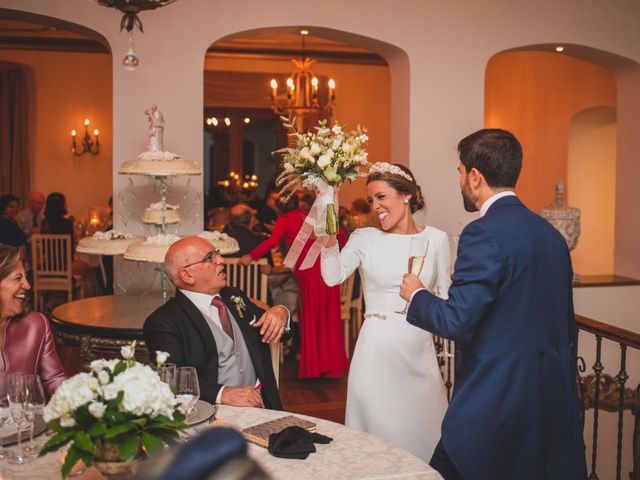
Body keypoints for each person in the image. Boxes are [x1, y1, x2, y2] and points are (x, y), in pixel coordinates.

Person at [400, 129, 587, 480]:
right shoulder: (550, 235)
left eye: (459, 171)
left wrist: (416, 296)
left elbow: (457, 320)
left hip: (495, 402)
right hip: (548, 402)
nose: (459, 180)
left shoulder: (482, 232)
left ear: (475, 176)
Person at [320, 162, 450, 460]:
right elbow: (332, 277)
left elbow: (446, 300)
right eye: (371, 200)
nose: (375, 206)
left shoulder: (437, 240)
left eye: (381, 197)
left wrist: (422, 296)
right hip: (375, 354)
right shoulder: (365, 238)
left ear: (406, 195)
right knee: (375, 445)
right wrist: (328, 238)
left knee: (426, 438)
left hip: (419, 356)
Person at [143, 236, 288, 409]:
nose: (220, 260)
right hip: (210, 416)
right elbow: (172, 381)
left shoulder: (234, 296)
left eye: (217, 254)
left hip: (262, 408)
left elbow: (284, 333)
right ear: (187, 275)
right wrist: (222, 393)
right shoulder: (164, 322)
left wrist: (282, 312)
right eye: (209, 258)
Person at [241, 195, 348, 379]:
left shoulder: (285, 219)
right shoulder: (309, 215)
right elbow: (341, 237)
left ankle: (315, 368)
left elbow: (272, 241)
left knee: (312, 316)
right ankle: (332, 367)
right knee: (328, 316)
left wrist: (251, 255)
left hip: (310, 273)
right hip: (326, 267)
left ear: (278, 208)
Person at [0, 244, 68, 397]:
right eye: (18, 278)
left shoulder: (36, 325)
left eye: (25, 276)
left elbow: (53, 378)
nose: (27, 285)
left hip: (25, 420)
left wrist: (82, 398)